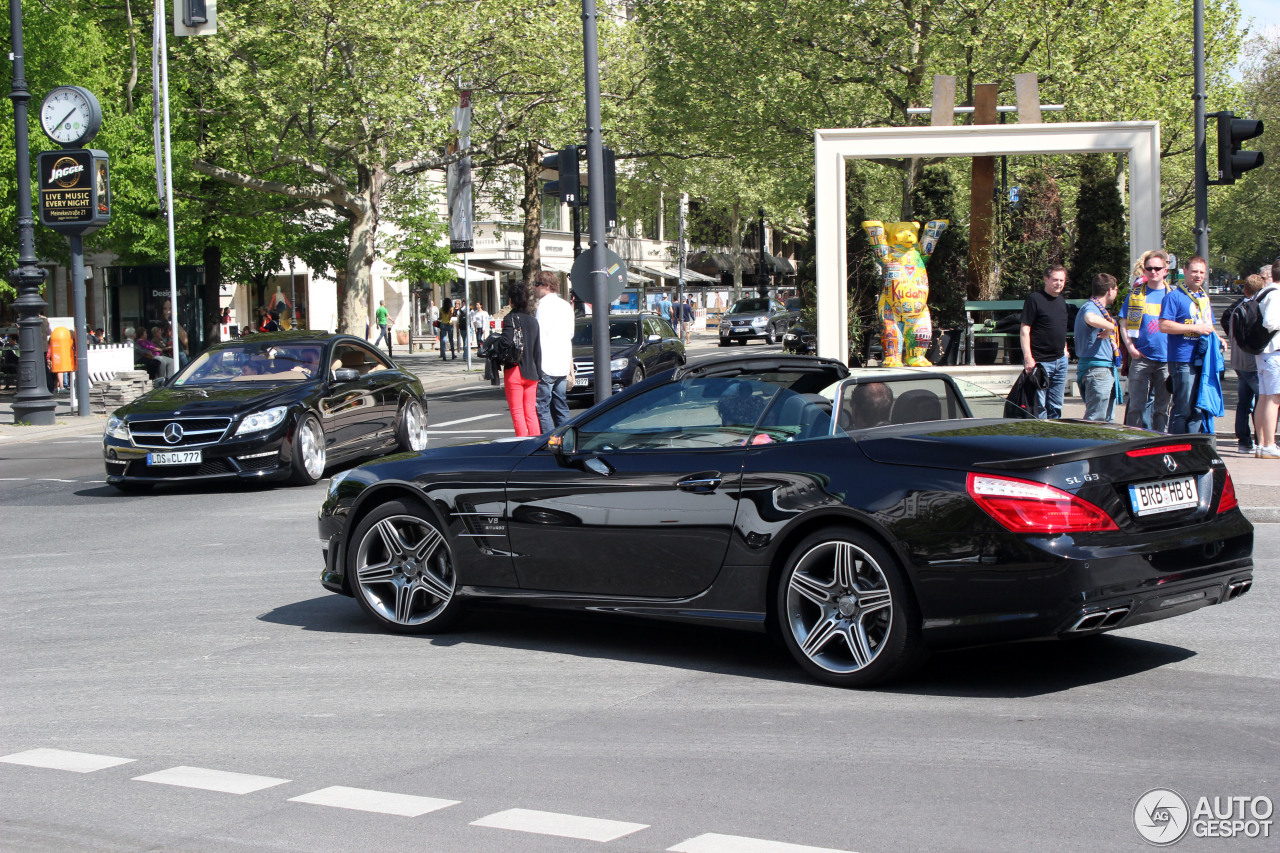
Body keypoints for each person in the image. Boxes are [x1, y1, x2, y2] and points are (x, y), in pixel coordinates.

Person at [1159, 256, 1217, 434]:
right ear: (1185, 272)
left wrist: (1218, 338)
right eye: (1194, 271)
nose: (1198, 276)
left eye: (1201, 272)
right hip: (1182, 358)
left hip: (1202, 359)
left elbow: (1209, 325)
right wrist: (1195, 328)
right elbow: (1164, 325)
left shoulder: (1203, 297)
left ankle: (1192, 451)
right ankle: (1176, 450)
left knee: (1198, 409)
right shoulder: (1174, 297)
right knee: (1182, 408)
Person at [1122, 250, 1173, 432]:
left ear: (1165, 270)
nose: (1153, 272)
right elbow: (1124, 323)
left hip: (1166, 360)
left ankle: (1159, 440)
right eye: (1149, 268)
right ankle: (1130, 442)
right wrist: (1131, 348)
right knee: (1136, 405)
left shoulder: (1172, 295)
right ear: (1144, 270)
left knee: (1162, 408)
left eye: (1157, 268)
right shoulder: (1135, 295)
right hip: (1141, 358)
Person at [1019, 265, 1070, 419]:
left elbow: (1061, 328)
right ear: (1046, 279)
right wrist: (1028, 358)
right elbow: (1024, 329)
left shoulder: (1061, 301)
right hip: (1040, 362)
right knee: (1039, 406)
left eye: (1062, 280)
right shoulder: (1034, 299)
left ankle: (1055, 439)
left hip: (1060, 361)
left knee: (1056, 406)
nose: (1059, 283)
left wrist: (1065, 350)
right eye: (1055, 280)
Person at [1223, 274, 1266, 453]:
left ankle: (1244, 441)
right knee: (1263, 401)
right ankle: (1262, 440)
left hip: (1239, 361)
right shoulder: (1258, 308)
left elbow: (1226, 322)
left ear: (1245, 289)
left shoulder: (1237, 307)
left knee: (1243, 402)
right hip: (1253, 362)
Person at [1074, 273, 1122, 422]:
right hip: (1097, 371)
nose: (1116, 293)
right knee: (1095, 420)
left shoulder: (1099, 309)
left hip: (1102, 369)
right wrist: (1110, 326)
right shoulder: (1091, 307)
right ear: (1109, 291)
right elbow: (1090, 318)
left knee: (1105, 420)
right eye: (1116, 290)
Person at [533, 270, 574, 431]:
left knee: (542, 407)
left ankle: (549, 441)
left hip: (547, 363)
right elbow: (570, 334)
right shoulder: (565, 305)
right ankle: (565, 438)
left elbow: (539, 335)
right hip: (562, 363)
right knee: (560, 405)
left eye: (537, 284)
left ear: (547, 286)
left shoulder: (543, 306)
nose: (534, 288)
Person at [501, 281, 543, 436]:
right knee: (531, 412)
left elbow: (506, 342)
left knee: (517, 412)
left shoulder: (509, 319)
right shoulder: (533, 320)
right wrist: (539, 373)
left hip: (515, 370)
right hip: (532, 372)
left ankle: (522, 443)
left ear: (511, 300)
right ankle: (536, 443)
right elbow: (537, 349)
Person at [1253, 260, 1280, 458]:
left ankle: (1261, 443)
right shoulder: (1276, 294)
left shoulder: (1263, 292)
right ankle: (1269, 444)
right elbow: (1270, 322)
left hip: (1263, 352)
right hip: (1273, 351)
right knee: (1274, 398)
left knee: (1263, 398)